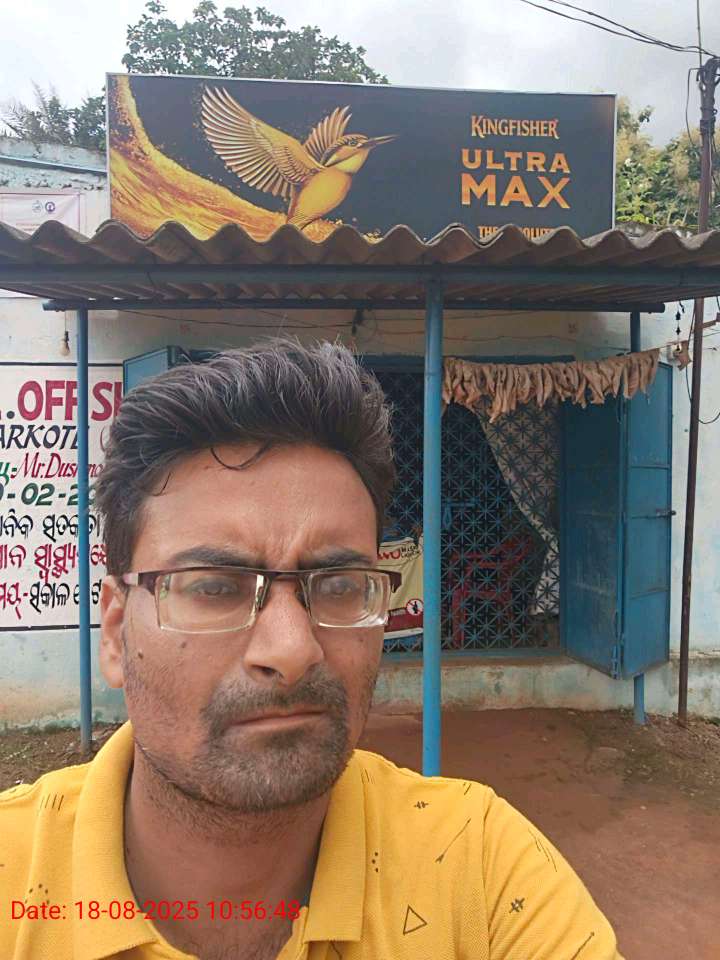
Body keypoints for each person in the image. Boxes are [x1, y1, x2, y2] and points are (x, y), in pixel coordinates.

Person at [0, 340, 624, 960]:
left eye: (339, 585)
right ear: (116, 632)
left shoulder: (476, 870)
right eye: (214, 587)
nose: (293, 648)